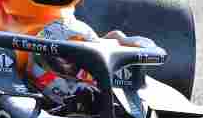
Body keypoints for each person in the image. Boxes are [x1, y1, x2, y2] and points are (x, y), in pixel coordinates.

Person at [24, 15, 152, 108]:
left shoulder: (103, 66)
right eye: (58, 58)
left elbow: (147, 46)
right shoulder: (30, 69)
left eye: (72, 59)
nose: (65, 63)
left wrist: (124, 40)